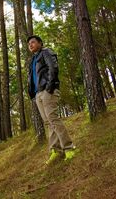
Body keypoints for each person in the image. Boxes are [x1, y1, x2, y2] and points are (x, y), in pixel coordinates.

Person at [27, 35, 75, 164]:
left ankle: (69, 148)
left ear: (40, 43)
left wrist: (49, 88)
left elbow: (53, 68)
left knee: (53, 118)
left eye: (33, 42)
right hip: (38, 94)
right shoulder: (33, 60)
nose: (30, 45)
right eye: (29, 44)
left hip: (48, 91)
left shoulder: (46, 52)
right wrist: (33, 94)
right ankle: (55, 149)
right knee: (48, 122)